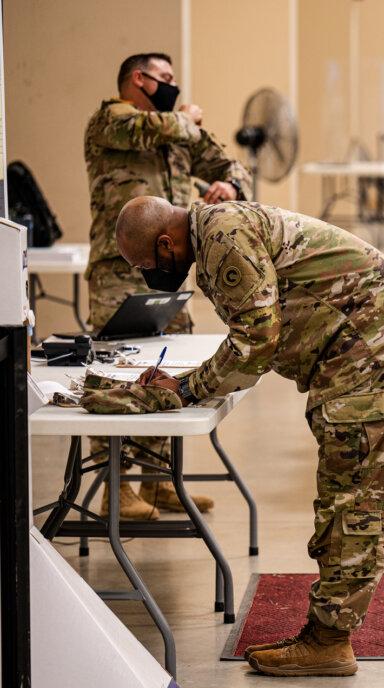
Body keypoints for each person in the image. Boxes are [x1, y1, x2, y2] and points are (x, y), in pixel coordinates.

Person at [114, 197, 384, 677]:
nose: (149, 274)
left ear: (167, 243)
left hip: (373, 348)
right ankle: (326, 635)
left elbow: (256, 339)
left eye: (147, 264)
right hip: (369, 344)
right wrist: (192, 381)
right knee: (348, 495)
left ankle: (329, 642)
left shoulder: (223, 237)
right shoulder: (215, 230)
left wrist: (188, 388)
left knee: (352, 500)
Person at [84, 52, 251, 520]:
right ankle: (116, 488)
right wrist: (184, 120)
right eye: (166, 79)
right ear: (139, 79)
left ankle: (159, 481)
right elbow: (153, 129)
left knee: (169, 369)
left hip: (170, 264)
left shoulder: (179, 129)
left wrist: (230, 188)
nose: (174, 86)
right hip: (119, 270)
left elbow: (229, 163)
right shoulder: (110, 120)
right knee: (117, 371)